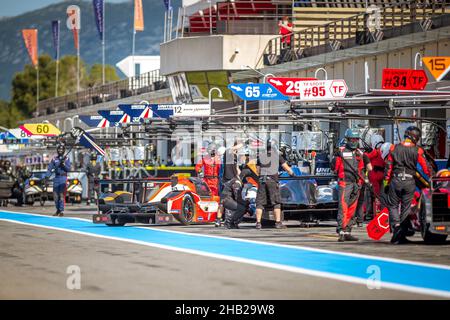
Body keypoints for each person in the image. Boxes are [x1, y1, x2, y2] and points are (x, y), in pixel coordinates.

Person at [385, 126, 430, 244]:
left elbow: (388, 168)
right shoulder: (418, 150)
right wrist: (433, 178)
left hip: (396, 180)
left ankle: (396, 227)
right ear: (415, 137)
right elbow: (426, 168)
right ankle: (401, 233)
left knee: (393, 205)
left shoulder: (394, 148)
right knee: (406, 206)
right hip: (410, 182)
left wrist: (386, 183)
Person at [331, 129, 371, 242]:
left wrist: (363, 181)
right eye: (351, 139)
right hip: (345, 183)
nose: (353, 141)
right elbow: (334, 168)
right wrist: (334, 157)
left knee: (352, 209)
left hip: (356, 184)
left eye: (355, 139)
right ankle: (341, 231)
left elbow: (366, 169)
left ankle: (348, 231)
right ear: (347, 140)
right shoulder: (341, 152)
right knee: (343, 207)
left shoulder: (360, 153)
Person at [255, 139, 295, 230]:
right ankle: (278, 223)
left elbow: (257, 171)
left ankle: (258, 223)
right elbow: (286, 168)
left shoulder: (261, 156)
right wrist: (292, 174)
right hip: (272, 181)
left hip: (262, 180)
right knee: (276, 202)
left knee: (260, 203)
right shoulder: (278, 156)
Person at [215, 141, 244, 227]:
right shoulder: (227, 154)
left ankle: (230, 220)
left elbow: (237, 168)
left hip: (234, 181)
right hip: (227, 181)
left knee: (232, 201)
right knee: (223, 201)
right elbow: (231, 149)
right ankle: (219, 220)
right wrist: (243, 142)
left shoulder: (234, 156)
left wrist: (240, 177)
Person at [46, 144, 71, 216]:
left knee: (61, 195)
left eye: (61, 149)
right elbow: (50, 169)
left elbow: (68, 169)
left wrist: (63, 164)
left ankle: (61, 211)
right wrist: (47, 176)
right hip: (56, 178)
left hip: (63, 178)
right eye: (59, 149)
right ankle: (58, 209)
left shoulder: (66, 159)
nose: (60, 151)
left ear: (63, 150)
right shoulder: (54, 159)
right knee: (55, 196)